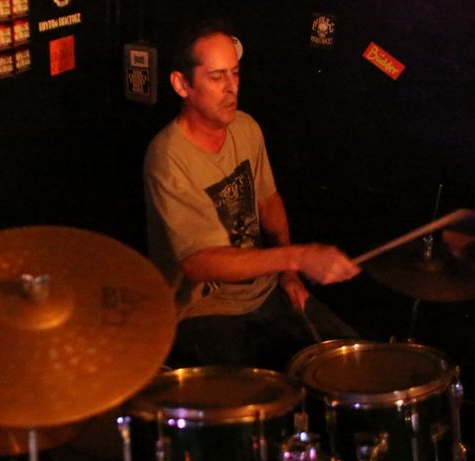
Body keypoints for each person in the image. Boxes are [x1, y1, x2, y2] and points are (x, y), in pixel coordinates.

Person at [144, 18, 360, 371]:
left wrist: (289, 274)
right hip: (203, 311)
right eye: (217, 77)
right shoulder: (168, 157)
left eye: (235, 73)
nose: (231, 88)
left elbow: (268, 201)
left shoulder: (245, 128)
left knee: (350, 364)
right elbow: (199, 263)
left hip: (266, 291)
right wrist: (297, 257)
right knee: (270, 393)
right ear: (182, 84)